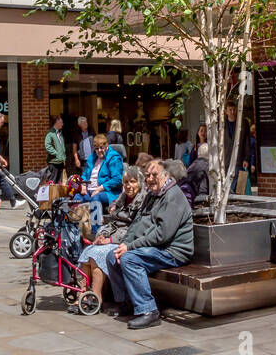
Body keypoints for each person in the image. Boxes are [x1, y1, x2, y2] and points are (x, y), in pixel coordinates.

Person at [103, 159, 194, 329]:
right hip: (157, 247)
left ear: (166, 175)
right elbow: (139, 223)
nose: (150, 179)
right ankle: (126, 303)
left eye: (154, 175)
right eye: (147, 176)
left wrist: (130, 247)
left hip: (173, 251)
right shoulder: (152, 195)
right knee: (112, 256)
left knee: (129, 259)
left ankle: (149, 311)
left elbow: (162, 235)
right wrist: (124, 244)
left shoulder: (173, 197)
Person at [76, 167, 147, 313]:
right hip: (114, 238)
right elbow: (113, 222)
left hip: (128, 242)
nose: (128, 186)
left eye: (132, 182)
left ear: (139, 183)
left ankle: (96, 299)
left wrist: (110, 240)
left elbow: (135, 229)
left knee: (97, 255)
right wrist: (102, 235)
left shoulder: (143, 201)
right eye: (126, 182)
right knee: (88, 252)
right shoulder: (122, 198)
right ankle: (82, 294)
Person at [78, 133, 123, 228]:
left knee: (96, 198)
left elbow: (117, 179)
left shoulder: (113, 157)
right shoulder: (92, 157)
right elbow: (85, 174)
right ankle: (76, 231)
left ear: (106, 146)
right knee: (76, 198)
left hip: (107, 191)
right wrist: (83, 184)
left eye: (101, 148)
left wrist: (99, 189)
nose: (99, 151)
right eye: (96, 148)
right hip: (90, 190)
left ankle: (96, 231)